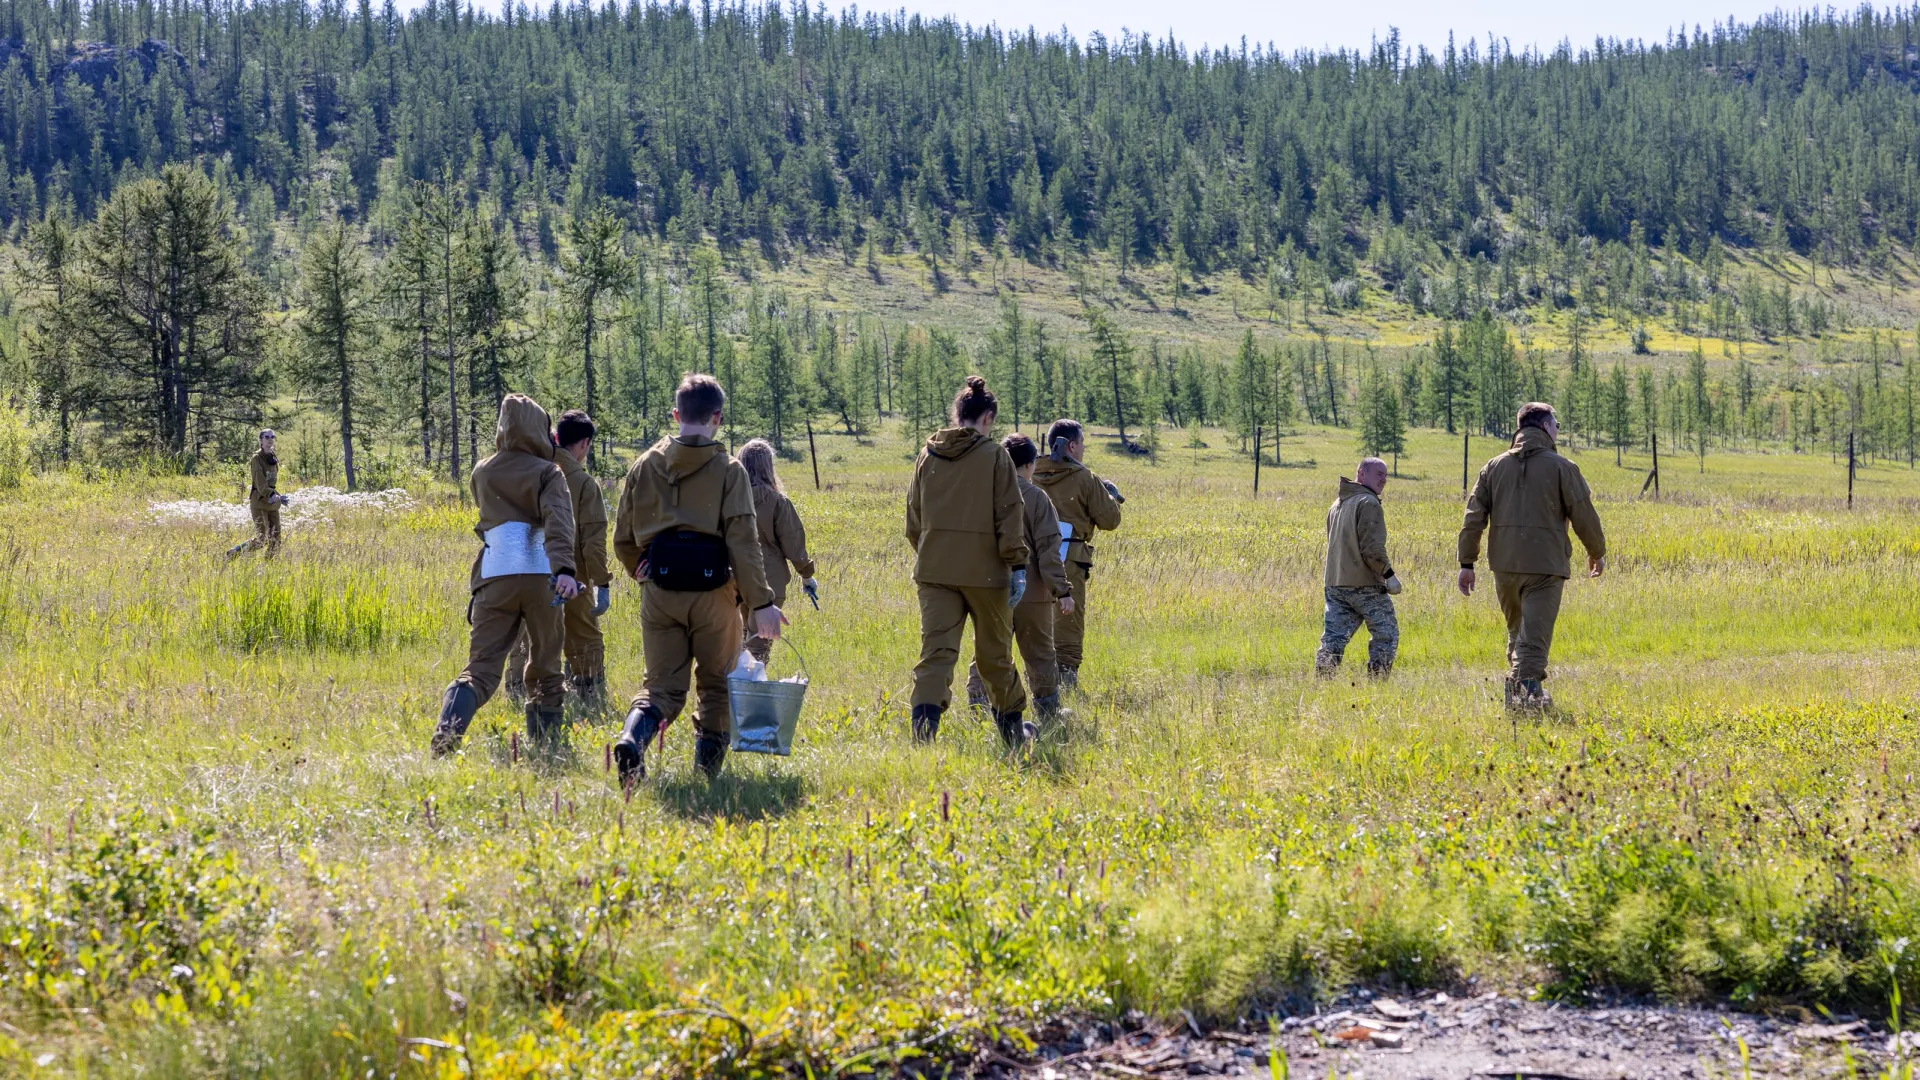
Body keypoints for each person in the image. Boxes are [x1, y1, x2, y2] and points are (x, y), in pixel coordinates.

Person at [610, 375, 784, 784]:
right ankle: (706, 780)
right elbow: (743, 542)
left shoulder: (643, 465)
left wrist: (640, 570)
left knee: (660, 688)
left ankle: (632, 740)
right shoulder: (729, 470)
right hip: (714, 594)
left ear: (676, 415)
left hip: (659, 593)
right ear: (717, 418)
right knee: (717, 686)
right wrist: (761, 603)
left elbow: (622, 539)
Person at [430, 395, 580, 757]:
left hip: (495, 576)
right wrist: (564, 569)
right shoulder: (549, 472)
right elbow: (558, 522)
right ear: (538, 429)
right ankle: (546, 749)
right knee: (545, 666)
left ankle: (445, 738)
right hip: (542, 577)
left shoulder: (481, 471)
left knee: (480, 669)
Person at [905, 376, 1030, 748]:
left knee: (936, 655)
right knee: (994, 658)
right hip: (987, 575)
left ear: (957, 414)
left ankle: (922, 740)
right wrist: (1017, 566)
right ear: (988, 417)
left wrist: (934, 553)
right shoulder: (995, 456)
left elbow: (913, 519)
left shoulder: (926, 455)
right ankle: (1013, 738)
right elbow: (1009, 515)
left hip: (934, 572)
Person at [1457, 402, 1608, 709]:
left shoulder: (1493, 467)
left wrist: (1466, 563)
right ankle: (1526, 699)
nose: (1557, 431)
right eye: (1556, 425)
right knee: (1534, 638)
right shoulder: (1563, 467)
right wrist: (1597, 552)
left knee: (1518, 633)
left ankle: (1520, 697)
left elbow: (1473, 518)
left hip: (1505, 567)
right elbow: (1584, 515)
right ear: (1544, 427)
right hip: (1545, 567)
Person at [504, 410, 613, 708]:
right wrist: (602, 582)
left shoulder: (529, 474)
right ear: (585, 443)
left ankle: (518, 693)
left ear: (556, 437)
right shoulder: (584, 483)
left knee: (528, 634)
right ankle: (589, 696)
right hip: (573, 575)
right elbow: (593, 542)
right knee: (584, 635)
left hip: (528, 571)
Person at [965, 433, 1076, 720]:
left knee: (988, 651)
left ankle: (978, 707)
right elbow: (1049, 550)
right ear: (1029, 464)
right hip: (1032, 593)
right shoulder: (1037, 498)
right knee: (1040, 655)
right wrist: (1062, 591)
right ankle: (1048, 711)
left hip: (990, 590)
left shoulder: (983, 496)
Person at [1030, 419, 1123, 690]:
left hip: (1032, 555)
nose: (1083, 448)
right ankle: (1066, 679)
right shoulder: (1085, 477)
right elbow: (1110, 521)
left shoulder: (1030, 472)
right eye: (1082, 443)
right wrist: (1110, 496)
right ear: (1071, 446)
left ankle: (1035, 675)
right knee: (1068, 619)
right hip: (1069, 557)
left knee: (1033, 618)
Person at [1317, 457, 1402, 678]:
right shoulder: (1368, 502)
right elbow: (1372, 549)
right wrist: (1389, 575)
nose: (1383, 480)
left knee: (1334, 638)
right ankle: (1377, 682)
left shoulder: (1336, 505)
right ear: (1361, 474)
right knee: (1386, 633)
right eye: (1379, 474)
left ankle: (1322, 683)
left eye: (1386, 475)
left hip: (1335, 583)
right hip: (1364, 584)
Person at [737, 438, 816, 666]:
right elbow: (793, 544)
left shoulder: (730, 501)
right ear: (768, 466)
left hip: (735, 578)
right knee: (758, 646)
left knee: (739, 641)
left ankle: (732, 684)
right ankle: (750, 685)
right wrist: (807, 576)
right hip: (769, 582)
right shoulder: (778, 502)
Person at [226, 429, 289, 559]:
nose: (270, 439)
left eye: (272, 437)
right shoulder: (257, 458)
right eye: (267, 437)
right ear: (261, 440)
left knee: (276, 538)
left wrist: (277, 497)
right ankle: (234, 552)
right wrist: (271, 494)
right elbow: (259, 481)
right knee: (262, 539)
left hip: (272, 502)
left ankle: (270, 565)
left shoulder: (273, 457)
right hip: (259, 500)